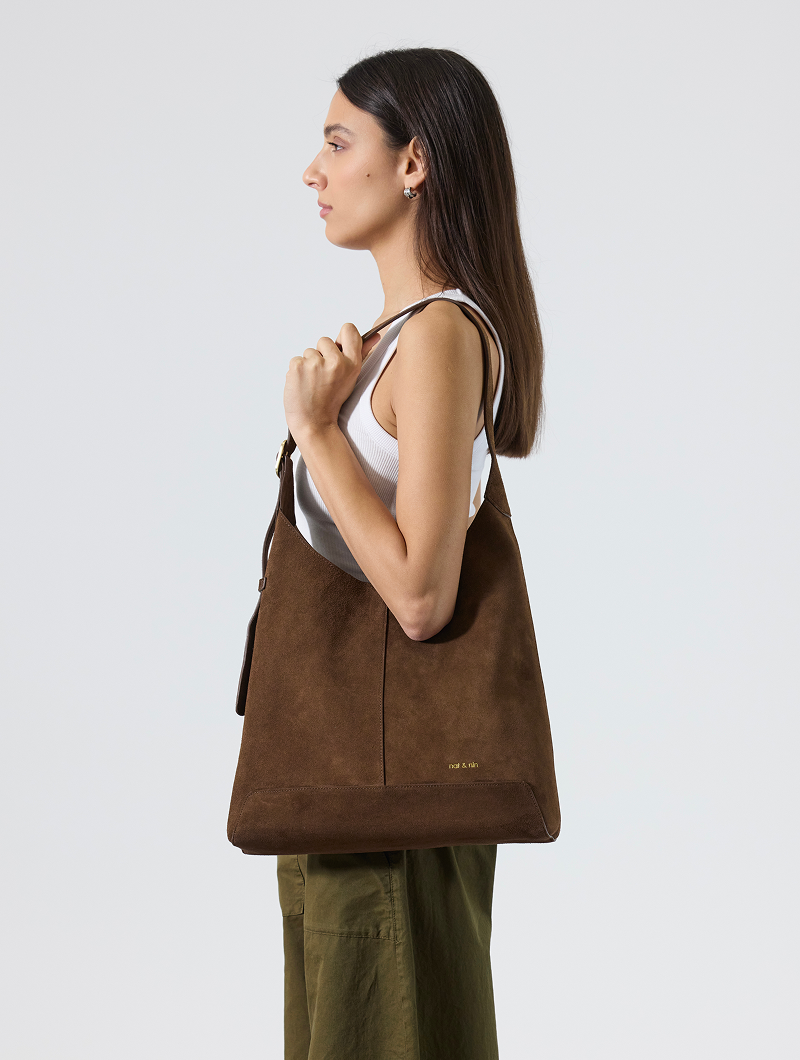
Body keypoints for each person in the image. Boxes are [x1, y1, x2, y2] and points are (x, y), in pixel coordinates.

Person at [277, 47, 544, 1060]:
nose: (313, 170)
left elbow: (422, 598)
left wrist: (317, 432)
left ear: (413, 163)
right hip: (342, 787)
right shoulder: (396, 336)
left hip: (392, 802)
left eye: (338, 141)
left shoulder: (438, 335)